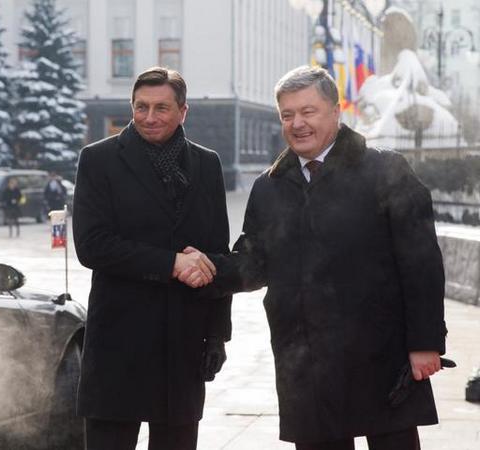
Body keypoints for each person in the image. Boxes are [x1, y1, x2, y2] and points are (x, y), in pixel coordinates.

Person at [179, 66, 446, 450]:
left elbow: (421, 263)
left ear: (335, 112)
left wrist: (425, 342)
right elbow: (254, 263)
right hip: (305, 361)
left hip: (380, 354)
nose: (297, 124)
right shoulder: (269, 186)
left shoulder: (385, 171)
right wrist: (206, 267)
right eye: (287, 115)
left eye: (308, 111)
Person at [73, 66, 232, 450]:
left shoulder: (207, 164)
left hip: (183, 341)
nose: (149, 117)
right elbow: (92, 245)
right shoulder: (98, 159)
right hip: (119, 342)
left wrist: (217, 334)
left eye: (161, 107)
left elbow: (217, 255)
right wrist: (170, 263)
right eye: (140, 106)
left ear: (183, 111)